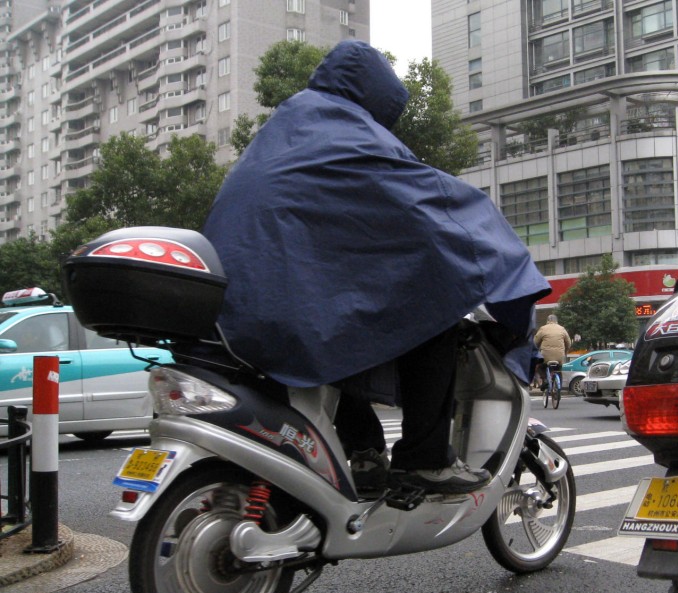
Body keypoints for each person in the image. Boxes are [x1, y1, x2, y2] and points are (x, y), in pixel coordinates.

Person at [203, 40, 550, 495]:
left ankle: (364, 450)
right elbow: (428, 202)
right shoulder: (350, 129)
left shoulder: (287, 124)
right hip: (286, 303)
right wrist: (493, 249)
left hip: (231, 303)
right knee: (435, 319)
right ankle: (424, 460)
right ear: (374, 97)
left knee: (344, 332)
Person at [533, 314, 571, 391]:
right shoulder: (562, 329)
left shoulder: (543, 329)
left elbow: (535, 342)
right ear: (556, 321)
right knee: (558, 369)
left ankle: (545, 380)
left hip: (545, 356)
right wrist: (565, 351)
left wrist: (536, 350)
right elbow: (568, 343)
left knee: (540, 366)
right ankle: (558, 387)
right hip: (559, 356)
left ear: (547, 320)